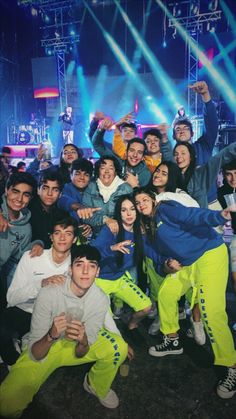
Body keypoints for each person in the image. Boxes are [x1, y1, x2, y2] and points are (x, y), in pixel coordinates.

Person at [0, 245, 129, 417]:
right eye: (79, 264)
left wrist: (83, 340)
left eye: (91, 265)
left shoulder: (100, 299)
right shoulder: (49, 293)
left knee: (119, 347)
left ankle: (95, 384)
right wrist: (52, 334)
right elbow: (36, 353)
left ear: (97, 272)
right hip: (45, 347)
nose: (85, 271)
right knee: (6, 405)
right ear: (70, 270)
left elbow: (82, 352)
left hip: (73, 347)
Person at [134, 188, 236, 400]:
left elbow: (191, 215)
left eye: (145, 199)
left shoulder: (166, 210)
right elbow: (155, 255)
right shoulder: (145, 228)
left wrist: (219, 215)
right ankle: (172, 339)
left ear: (153, 200)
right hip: (186, 264)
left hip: (209, 253)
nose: (141, 204)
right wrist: (166, 264)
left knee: (210, 311)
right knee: (166, 293)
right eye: (137, 202)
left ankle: (231, 365)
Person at [0, 217, 77, 366]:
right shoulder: (32, 257)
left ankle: (28, 343)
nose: (62, 238)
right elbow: (11, 298)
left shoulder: (75, 264)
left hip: (51, 316)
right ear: (51, 236)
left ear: (74, 239)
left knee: (42, 357)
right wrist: (41, 284)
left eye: (68, 234)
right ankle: (13, 355)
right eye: (57, 233)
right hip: (24, 310)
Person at [91, 195, 152, 334]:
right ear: (119, 213)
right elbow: (92, 253)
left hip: (119, 278)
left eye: (132, 209)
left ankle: (131, 325)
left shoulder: (140, 232)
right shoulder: (112, 228)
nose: (129, 213)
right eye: (124, 210)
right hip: (100, 280)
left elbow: (150, 251)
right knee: (106, 322)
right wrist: (112, 248)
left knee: (146, 308)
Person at [0, 172, 43, 312]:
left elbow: (18, 257)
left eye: (26, 194)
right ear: (6, 190)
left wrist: (37, 243)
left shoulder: (25, 227)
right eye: (15, 192)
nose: (19, 198)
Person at [173, 141, 236, 208]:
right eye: (176, 154)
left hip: (200, 216)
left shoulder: (200, 174)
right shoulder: (171, 176)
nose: (179, 156)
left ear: (191, 157)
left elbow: (222, 157)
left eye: (183, 153)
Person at [81, 155, 133, 237]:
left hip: (121, 234)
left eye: (111, 168)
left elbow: (131, 214)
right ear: (98, 171)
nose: (107, 171)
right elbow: (85, 216)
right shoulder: (91, 187)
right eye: (103, 168)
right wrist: (105, 219)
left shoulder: (126, 189)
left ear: (116, 172)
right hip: (96, 236)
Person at [92, 118, 152, 188]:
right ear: (126, 152)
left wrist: (135, 186)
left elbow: (145, 196)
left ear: (143, 157)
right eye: (132, 150)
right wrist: (101, 128)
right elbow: (97, 145)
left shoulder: (145, 174)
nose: (135, 155)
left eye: (139, 152)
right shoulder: (117, 162)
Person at [29, 171, 69, 248]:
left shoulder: (63, 216)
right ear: (38, 190)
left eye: (55, 190)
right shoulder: (27, 212)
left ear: (60, 194)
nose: (49, 194)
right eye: (45, 188)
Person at [218, 160, 236, 292]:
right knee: (235, 278)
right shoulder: (222, 192)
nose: (233, 178)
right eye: (229, 174)